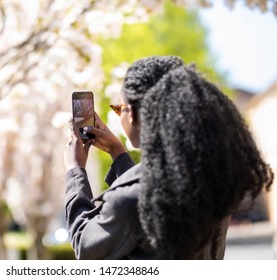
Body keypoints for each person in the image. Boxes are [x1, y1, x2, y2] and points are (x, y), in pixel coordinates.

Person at [63, 55, 274, 260]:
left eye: (120, 109)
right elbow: (153, 194)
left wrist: (75, 171)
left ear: (135, 115)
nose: (120, 117)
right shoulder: (209, 179)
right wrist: (118, 153)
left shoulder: (131, 200)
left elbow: (85, 245)